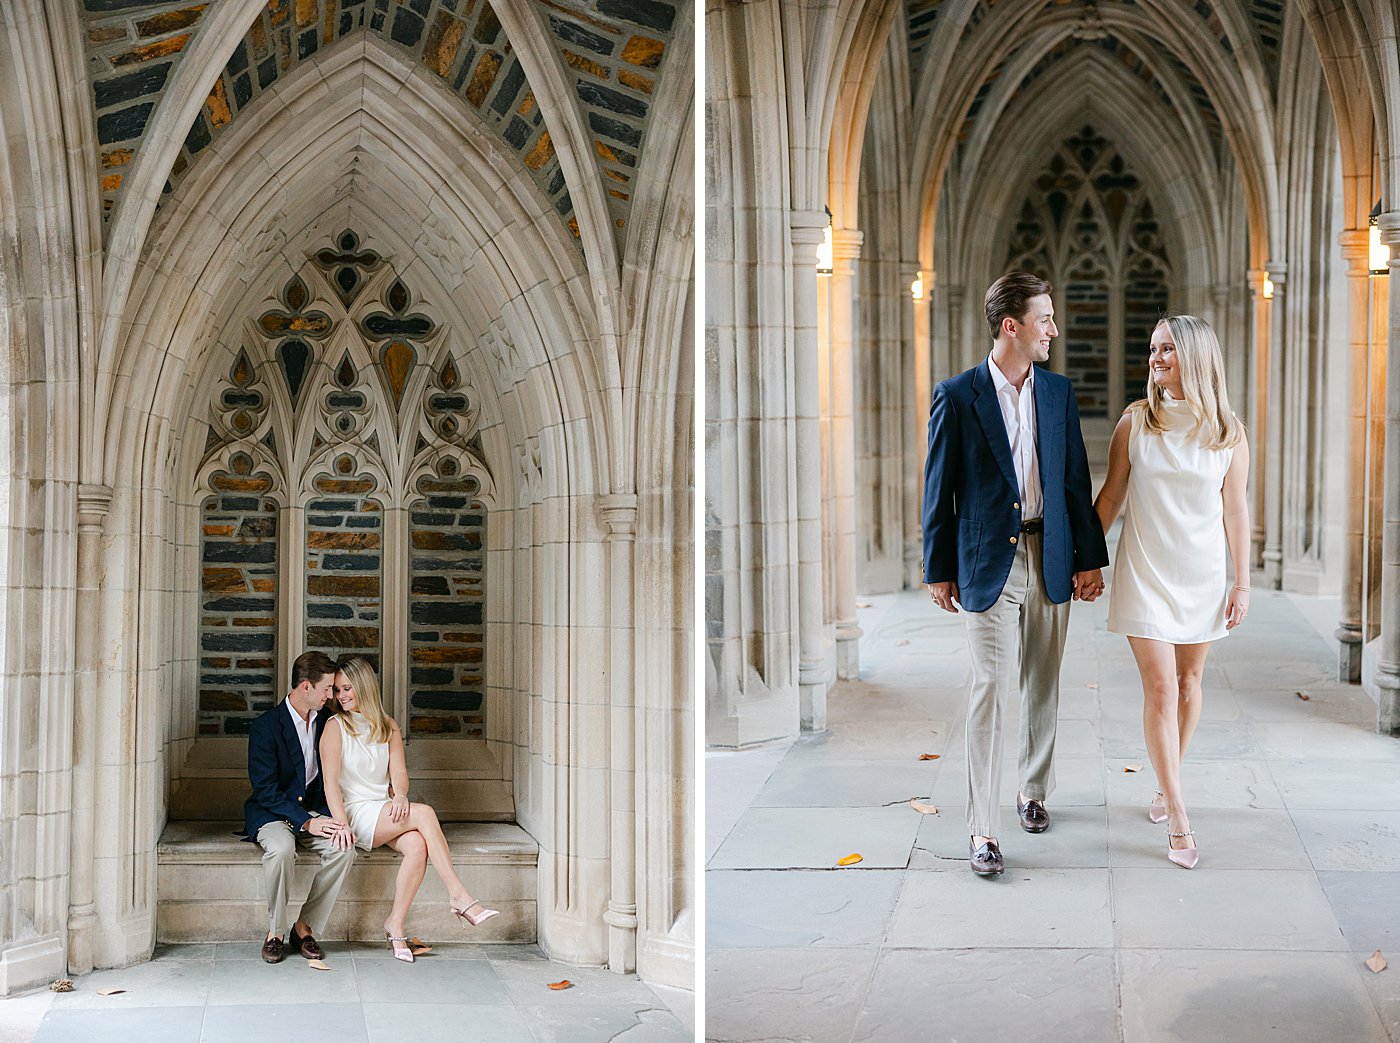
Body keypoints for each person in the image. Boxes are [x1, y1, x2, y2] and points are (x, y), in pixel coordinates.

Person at [923, 271, 1109, 877]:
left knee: (1042, 684)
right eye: (1045, 319)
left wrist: (1087, 558)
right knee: (990, 690)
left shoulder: (1057, 393)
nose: (1053, 329)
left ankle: (1032, 791)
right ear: (1012, 326)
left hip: (1049, 555)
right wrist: (938, 568)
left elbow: (1075, 480)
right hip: (987, 564)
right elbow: (938, 489)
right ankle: (983, 831)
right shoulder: (957, 395)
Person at [1094, 314, 1250, 870]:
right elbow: (1110, 497)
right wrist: (1087, 558)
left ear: (1196, 357)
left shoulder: (1229, 431)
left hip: (1202, 577)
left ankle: (1165, 784)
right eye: (1153, 348)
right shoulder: (1136, 422)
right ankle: (1179, 817)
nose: (1155, 357)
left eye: (1168, 349)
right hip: (1145, 574)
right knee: (1160, 689)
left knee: (1189, 683)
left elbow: (1235, 512)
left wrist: (1243, 581)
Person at [320, 655, 499, 963]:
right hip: (355, 813)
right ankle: (459, 895)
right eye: (337, 691)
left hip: (383, 809)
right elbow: (330, 785)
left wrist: (401, 794)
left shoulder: (387, 726)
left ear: (364, 686)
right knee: (425, 813)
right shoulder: (334, 727)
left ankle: (395, 923)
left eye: (347, 688)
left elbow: (398, 773)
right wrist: (341, 824)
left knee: (417, 845)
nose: (341, 696)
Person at [242, 650, 358, 963]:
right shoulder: (265, 727)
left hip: (314, 810)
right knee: (280, 851)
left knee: (344, 848)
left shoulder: (328, 723)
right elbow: (265, 790)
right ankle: (275, 932)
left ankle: (303, 927)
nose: (331, 695)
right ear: (305, 687)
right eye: (327, 690)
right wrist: (306, 822)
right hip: (273, 813)